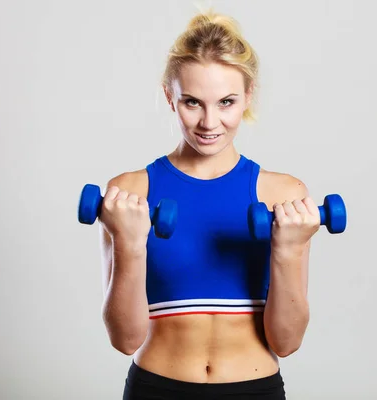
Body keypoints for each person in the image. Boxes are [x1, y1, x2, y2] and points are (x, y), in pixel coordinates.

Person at [98, 9, 321, 400]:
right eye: (192, 102)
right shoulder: (130, 194)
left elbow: (286, 342)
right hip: (156, 388)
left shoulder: (284, 195)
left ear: (248, 95)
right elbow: (125, 339)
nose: (209, 121)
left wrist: (289, 247)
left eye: (226, 102)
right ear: (170, 96)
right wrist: (130, 244)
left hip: (254, 390)